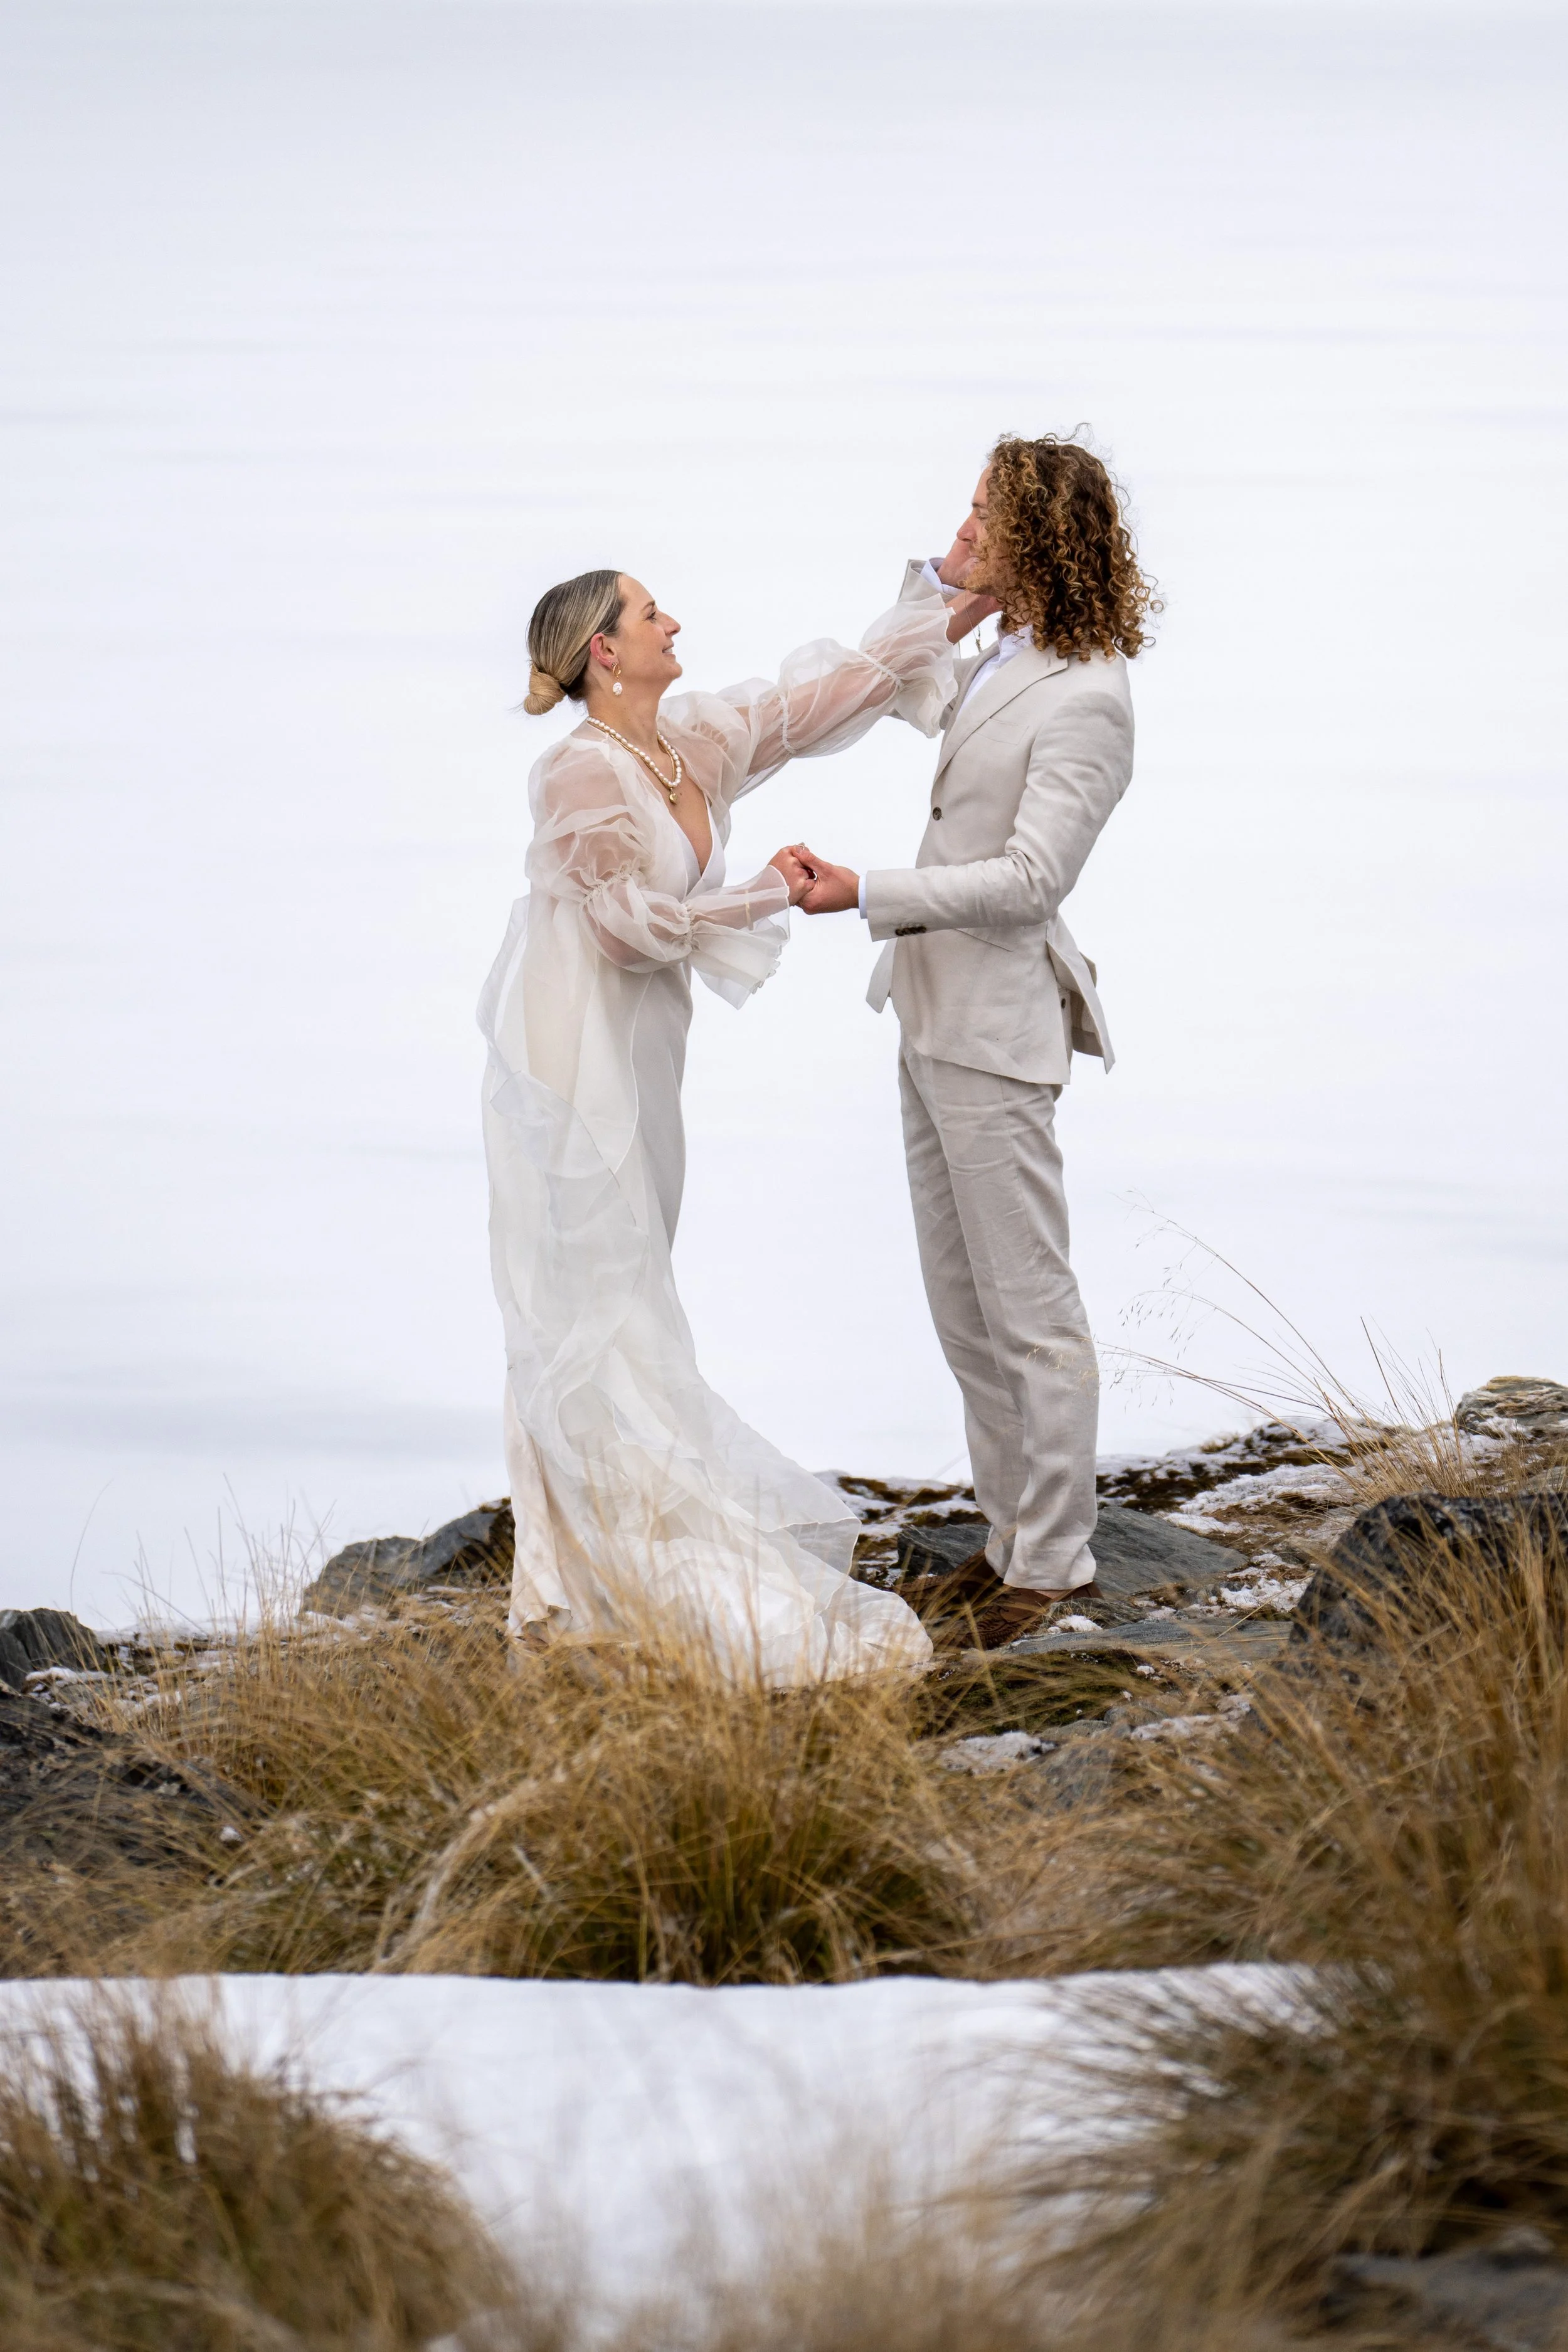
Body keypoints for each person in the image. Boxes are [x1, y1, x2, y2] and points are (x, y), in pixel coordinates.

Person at [479, 566, 958, 1683]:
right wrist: (763, 895)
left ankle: (591, 1572)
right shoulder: (574, 775)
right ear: (603, 649)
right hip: (572, 1067)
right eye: (651, 613)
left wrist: (955, 611)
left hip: (647, 1060)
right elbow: (622, 926)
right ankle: (562, 1590)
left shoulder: (683, 741)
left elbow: (808, 704)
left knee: (635, 1288)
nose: (674, 622)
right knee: (584, 1305)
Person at [793, 435, 1157, 1649]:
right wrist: (941, 584)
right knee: (962, 1307)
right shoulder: (1009, 650)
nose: (962, 522)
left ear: (1038, 539)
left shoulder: (1089, 695)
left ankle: (1053, 1569)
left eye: (981, 514)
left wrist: (863, 891)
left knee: (1029, 1307)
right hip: (927, 1009)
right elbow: (903, 683)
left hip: (997, 1029)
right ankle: (1008, 1541)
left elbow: (1027, 877)